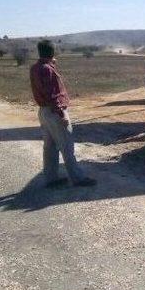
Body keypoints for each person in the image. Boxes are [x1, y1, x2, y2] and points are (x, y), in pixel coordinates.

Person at [30, 40, 96, 188]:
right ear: (52, 52)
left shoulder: (36, 68)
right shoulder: (47, 69)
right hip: (54, 112)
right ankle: (78, 178)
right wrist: (62, 114)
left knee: (49, 147)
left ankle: (51, 179)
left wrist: (51, 64)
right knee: (67, 146)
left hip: (43, 111)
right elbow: (53, 94)